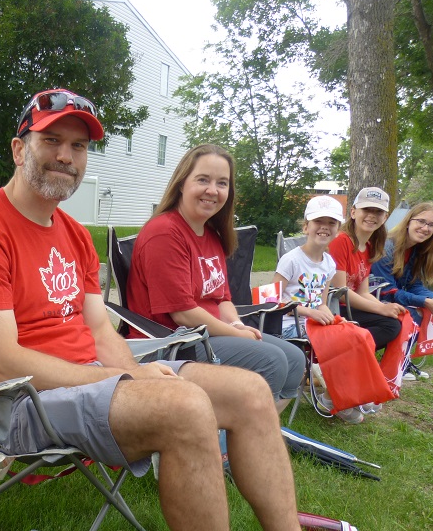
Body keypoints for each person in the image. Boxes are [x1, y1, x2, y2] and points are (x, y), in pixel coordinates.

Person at [0, 88, 360, 531]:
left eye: (78, 147)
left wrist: (129, 371)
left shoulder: (76, 236)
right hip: (18, 399)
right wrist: (120, 380)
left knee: (248, 391)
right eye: (51, 141)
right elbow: (2, 362)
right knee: (185, 407)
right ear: (18, 149)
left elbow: (100, 327)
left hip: (94, 379)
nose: (66, 156)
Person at [125, 144, 305, 414]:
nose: (213, 190)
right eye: (203, 180)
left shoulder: (211, 235)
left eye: (222, 183)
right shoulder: (164, 232)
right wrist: (236, 333)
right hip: (171, 342)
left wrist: (235, 323)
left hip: (205, 334)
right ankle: (234, 441)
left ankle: (253, 432)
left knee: (295, 358)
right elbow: (183, 314)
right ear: (182, 183)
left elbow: (222, 298)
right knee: (273, 361)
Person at [273, 194, 368, 424]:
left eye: (331, 223)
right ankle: (337, 398)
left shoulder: (329, 263)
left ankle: (345, 395)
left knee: (358, 335)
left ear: (338, 230)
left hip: (313, 325)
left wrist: (332, 317)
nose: (324, 228)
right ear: (306, 226)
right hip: (289, 325)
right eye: (318, 222)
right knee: (345, 342)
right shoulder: (291, 260)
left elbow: (322, 303)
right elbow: (272, 302)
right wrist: (310, 312)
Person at [372, 202, 433, 380]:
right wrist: (424, 302)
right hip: (371, 299)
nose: (425, 228)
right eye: (421, 221)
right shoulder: (387, 247)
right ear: (408, 221)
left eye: (431, 225)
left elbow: (414, 284)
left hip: (385, 297)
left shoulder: (418, 249)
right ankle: (394, 366)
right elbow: (388, 291)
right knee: (413, 314)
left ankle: (399, 363)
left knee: (421, 311)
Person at [328, 187, 405, 355]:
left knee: (396, 320)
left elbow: (363, 291)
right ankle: (336, 356)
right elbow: (340, 292)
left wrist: (387, 307)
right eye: (367, 209)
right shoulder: (341, 241)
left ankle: (347, 357)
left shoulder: (369, 246)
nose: (371, 215)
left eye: (378, 211)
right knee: (389, 326)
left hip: (350, 304)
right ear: (354, 212)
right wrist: (380, 309)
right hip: (332, 306)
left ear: (385, 217)